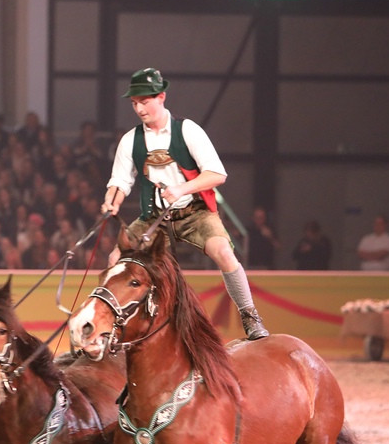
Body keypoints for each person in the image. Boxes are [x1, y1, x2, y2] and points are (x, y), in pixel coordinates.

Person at [101, 67, 268, 340]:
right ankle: (112, 325)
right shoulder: (130, 140)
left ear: (161, 97)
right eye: (135, 104)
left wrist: (182, 188)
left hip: (195, 213)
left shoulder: (187, 130)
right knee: (116, 258)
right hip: (154, 218)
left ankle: (250, 316)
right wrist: (112, 201)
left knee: (224, 251)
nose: (139, 109)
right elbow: (120, 180)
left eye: (144, 101)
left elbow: (217, 174)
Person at [245, 206, 281, 270]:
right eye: (256, 218)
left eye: (260, 218)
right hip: (251, 265)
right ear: (253, 218)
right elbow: (236, 234)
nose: (258, 220)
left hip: (267, 265)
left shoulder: (270, 229)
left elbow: (278, 246)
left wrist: (270, 237)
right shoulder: (249, 230)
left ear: (264, 218)